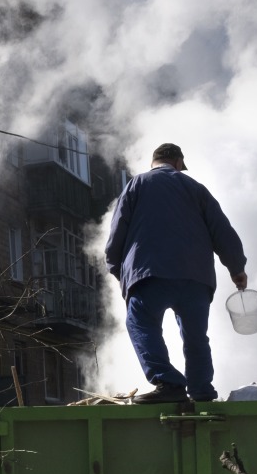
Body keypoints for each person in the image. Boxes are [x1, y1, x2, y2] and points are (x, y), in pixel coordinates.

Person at [103, 143, 247, 403]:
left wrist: (118, 269)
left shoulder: (137, 185)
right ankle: (202, 390)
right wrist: (237, 269)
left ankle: (168, 383)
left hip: (150, 274)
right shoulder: (197, 189)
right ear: (178, 162)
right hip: (196, 279)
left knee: (141, 323)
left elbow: (117, 234)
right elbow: (222, 231)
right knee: (195, 336)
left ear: (153, 162)